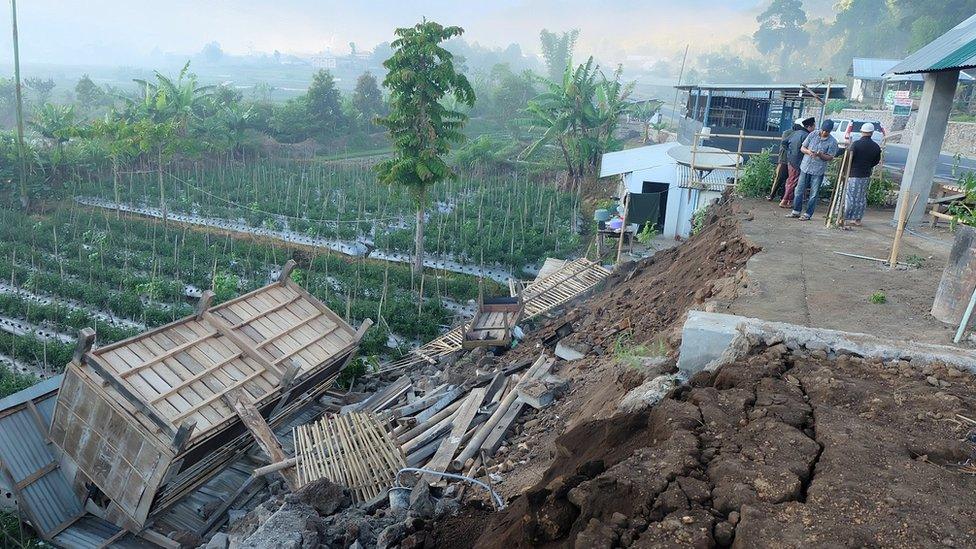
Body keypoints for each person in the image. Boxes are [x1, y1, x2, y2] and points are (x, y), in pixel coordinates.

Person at [788, 119, 839, 220]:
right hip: (805, 166)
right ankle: (796, 211)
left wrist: (821, 155)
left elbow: (830, 158)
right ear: (821, 128)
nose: (824, 133)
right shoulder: (812, 135)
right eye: (823, 130)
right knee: (799, 190)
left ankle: (808, 214)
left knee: (814, 193)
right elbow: (802, 148)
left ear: (830, 131)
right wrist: (808, 152)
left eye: (827, 131)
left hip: (818, 170)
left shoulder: (832, 141)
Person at [843, 123, 882, 227]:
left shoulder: (855, 144)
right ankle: (857, 219)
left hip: (853, 174)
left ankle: (845, 217)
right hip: (865, 174)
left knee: (850, 196)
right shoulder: (875, 147)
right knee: (861, 197)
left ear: (861, 132)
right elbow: (876, 161)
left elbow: (848, 158)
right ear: (872, 133)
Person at [780, 117, 816, 208]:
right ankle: (784, 200)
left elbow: (784, 143)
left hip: (791, 159)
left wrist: (790, 151)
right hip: (798, 161)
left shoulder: (795, 133)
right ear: (809, 126)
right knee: (793, 181)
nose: (815, 128)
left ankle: (788, 200)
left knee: (791, 180)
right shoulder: (807, 135)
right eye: (814, 126)